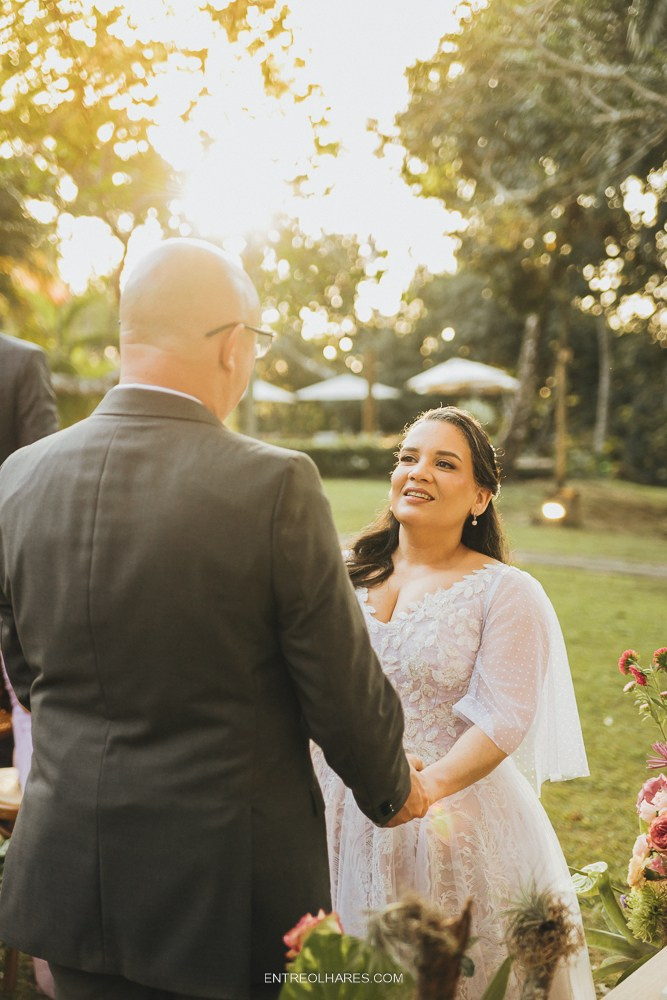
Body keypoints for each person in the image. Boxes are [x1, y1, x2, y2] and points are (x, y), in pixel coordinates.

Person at [0, 238, 428, 1000]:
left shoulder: (20, 477)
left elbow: (26, 670)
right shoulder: (273, 484)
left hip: (69, 883)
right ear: (234, 347)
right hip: (222, 901)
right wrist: (393, 791)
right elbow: (338, 686)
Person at [313, 406, 596, 999]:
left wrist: (420, 791)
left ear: (480, 498)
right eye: (408, 457)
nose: (418, 472)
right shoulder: (340, 572)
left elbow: (503, 716)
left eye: (445, 463)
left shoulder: (507, 593)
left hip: (450, 816)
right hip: (333, 807)